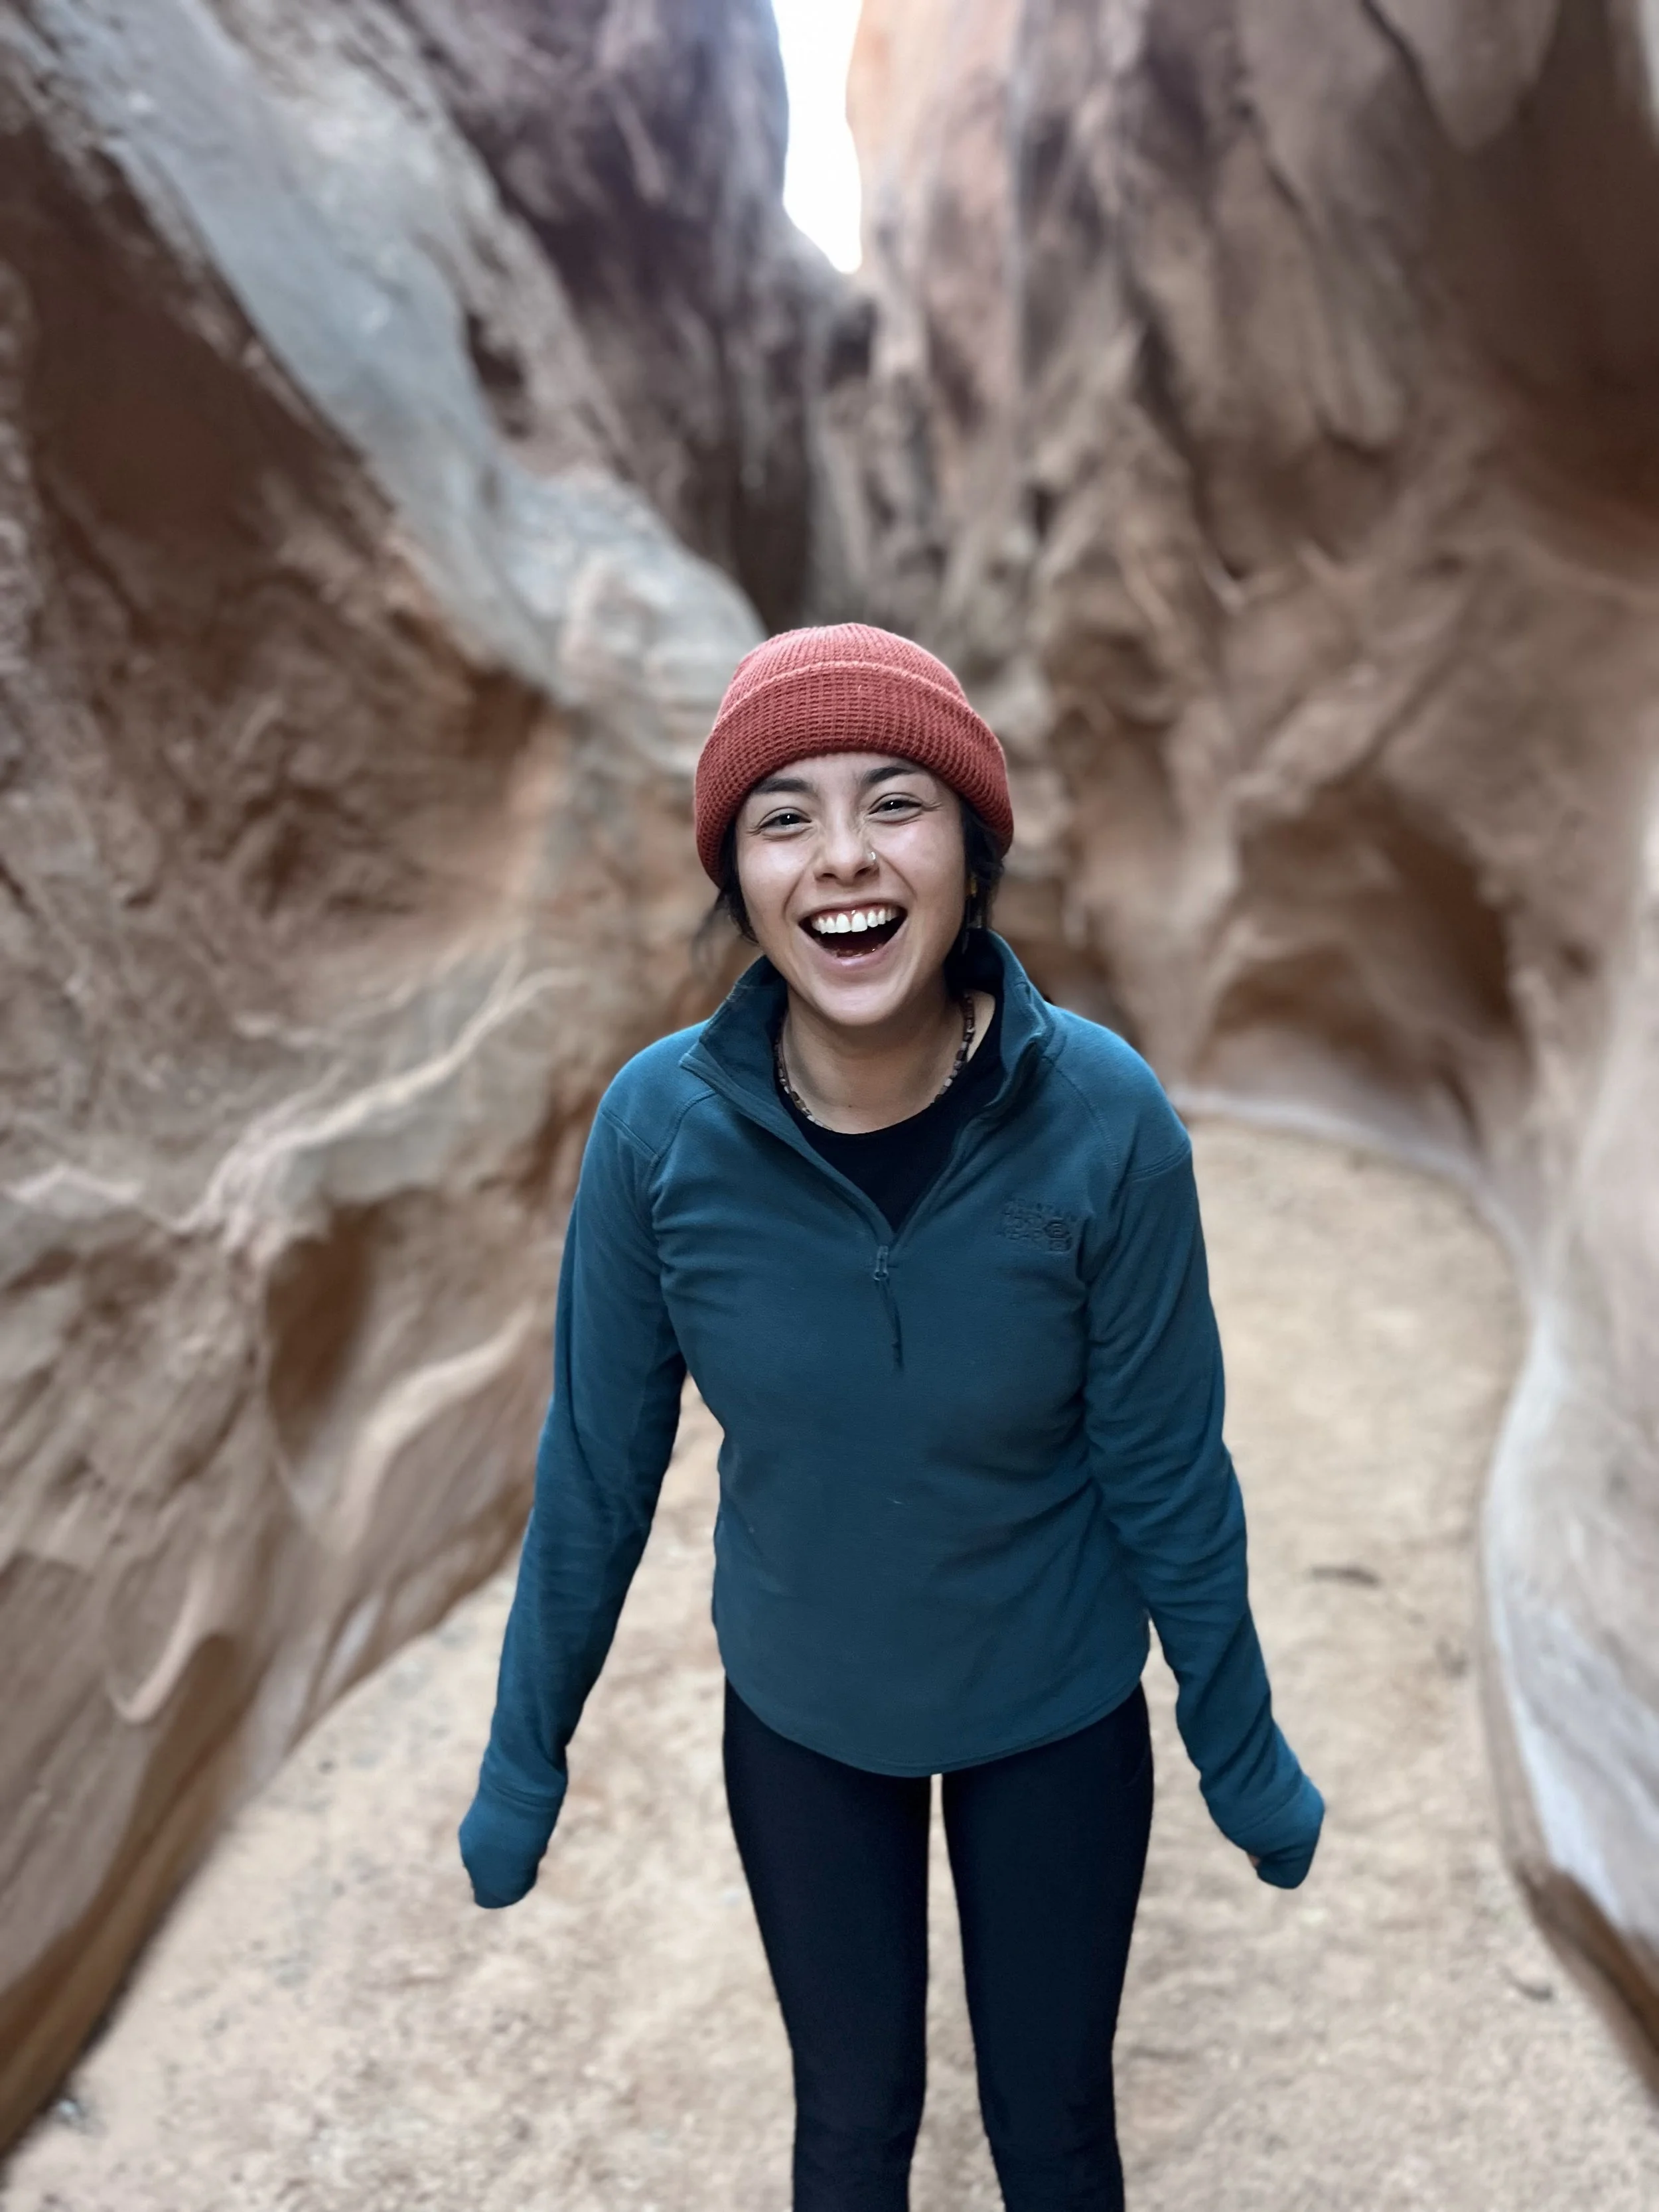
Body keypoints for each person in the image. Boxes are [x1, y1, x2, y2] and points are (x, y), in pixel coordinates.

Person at [459, 623, 1323, 2211]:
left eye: (895, 802)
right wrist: (529, 1755)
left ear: (973, 847)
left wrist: (1235, 1734)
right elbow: (597, 1470)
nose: (841, 858)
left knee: (1052, 2133)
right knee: (850, 2130)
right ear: (736, 869)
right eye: (782, 815)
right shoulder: (658, 1134)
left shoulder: (1107, 1125)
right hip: (803, 1719)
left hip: (1053, 1710)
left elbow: (1162, 1463)